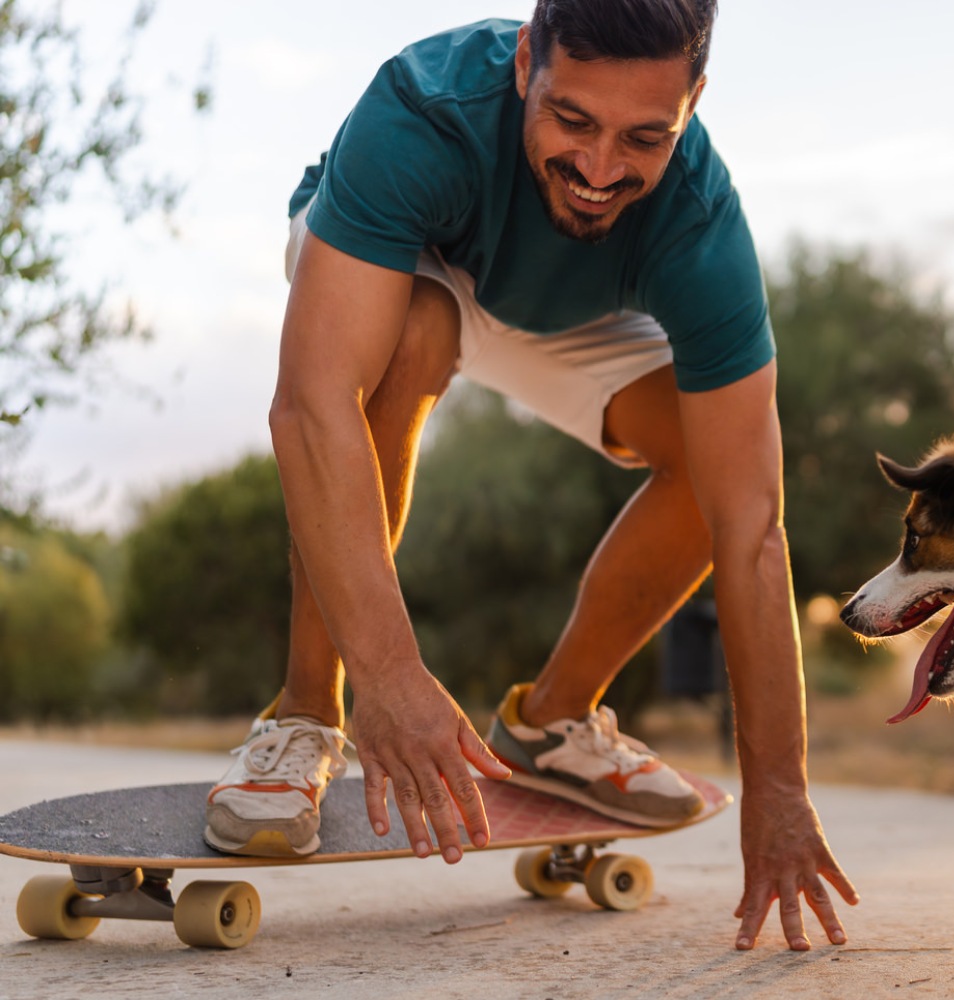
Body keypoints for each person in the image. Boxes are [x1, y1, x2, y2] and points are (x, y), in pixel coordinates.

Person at [202, 0, 856, 951]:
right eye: (573, 121)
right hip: (397, 260)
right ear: (523, 66)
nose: (599, 171)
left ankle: (552, 723)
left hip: (560, 304)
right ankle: (305, 714)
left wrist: (783, 792)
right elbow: (310, 409)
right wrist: (389, 677)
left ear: (693, 102)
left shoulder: (697, 220)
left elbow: (752, 524)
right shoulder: (420, 111)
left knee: (706, 459)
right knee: (417, 336)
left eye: (644, 136)